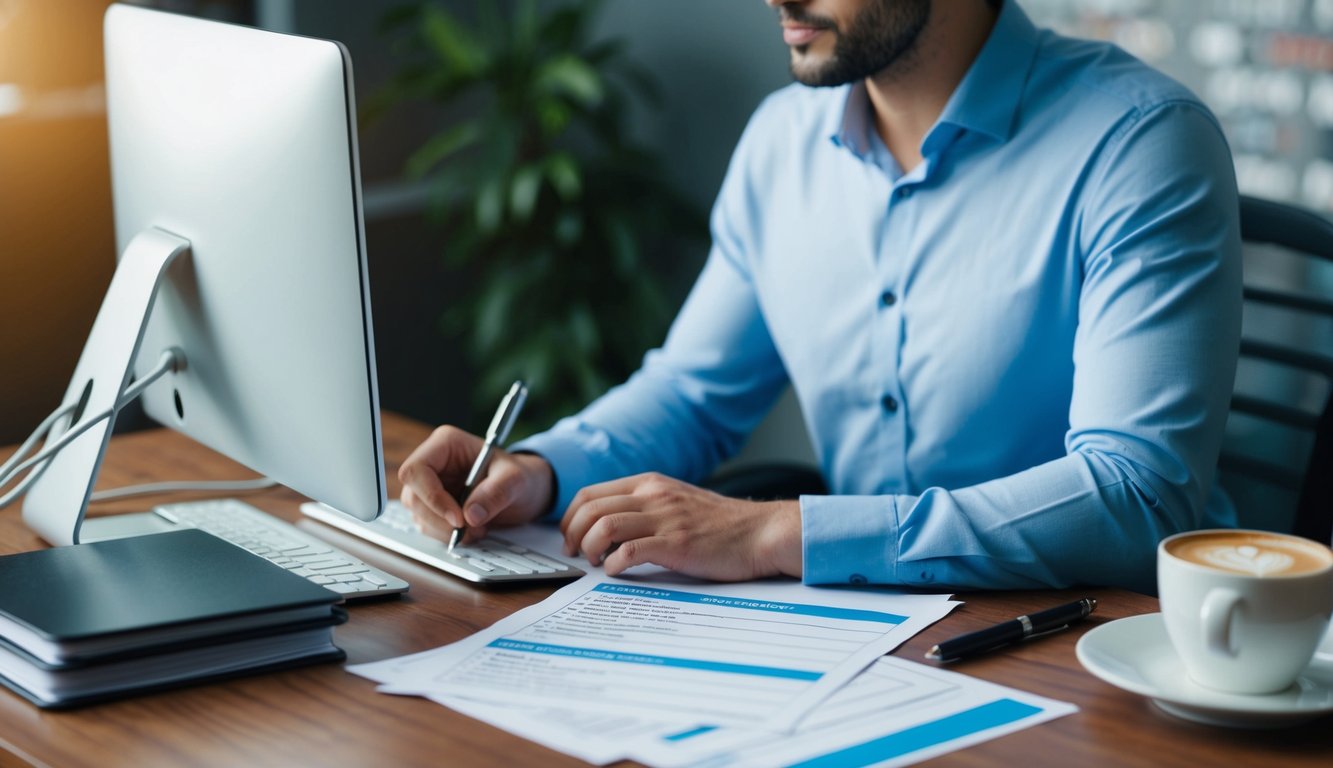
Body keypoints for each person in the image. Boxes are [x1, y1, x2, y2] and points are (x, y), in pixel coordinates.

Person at [398, 0, 1241, 594]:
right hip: (851, 632)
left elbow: (1135, 496)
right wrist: (539, 474)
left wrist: (774, 534)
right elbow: (692, 394)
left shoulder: (1140, 144)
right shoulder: (781, 142)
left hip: (1074, 639)